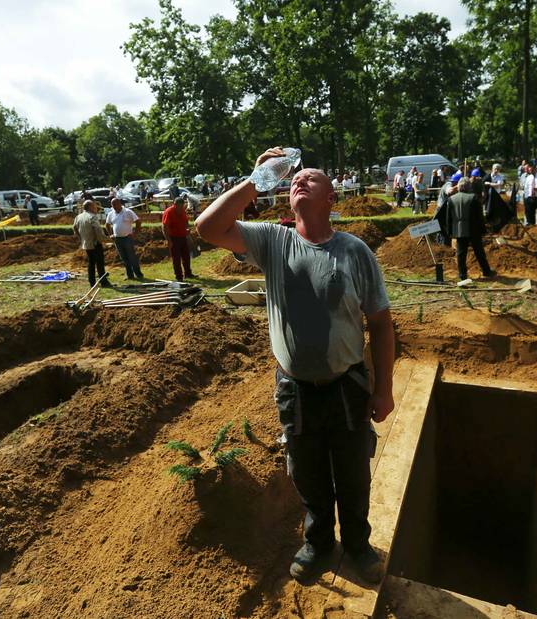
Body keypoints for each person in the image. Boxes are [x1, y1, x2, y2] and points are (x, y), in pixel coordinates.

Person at [195, 148, 394, 585]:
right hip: (295, 389)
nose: (299, 180)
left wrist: (384, 389)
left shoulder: (355, 252)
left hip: (347, 385)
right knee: (307, 473)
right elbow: (207, 228)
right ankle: (319, 543)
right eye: (295, 179)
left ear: (331, 198)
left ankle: (357, 545)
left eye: (312, 178)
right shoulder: (273, 241)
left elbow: (381, 324)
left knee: (353, 472)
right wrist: (256, 179)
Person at [442, 177, 496, 285]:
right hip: (473, 229)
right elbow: (479, 216)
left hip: (458, 230)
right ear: (468, 187)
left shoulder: (451, 199)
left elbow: (448, 218)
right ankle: (486, 271)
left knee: (461, 254)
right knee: (479, 252)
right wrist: (483, 229)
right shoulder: (474, 198)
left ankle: (462, 275)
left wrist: (450, 232)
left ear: (459, 186)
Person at [73, 200, 111, 288]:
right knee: (100, 264)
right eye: (94, 206)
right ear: (90, 207)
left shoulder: (78, 217)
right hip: (95, 244)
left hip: (86, 244)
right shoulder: (93, 217)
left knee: (91, 263)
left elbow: (74, 228)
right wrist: (108, 239)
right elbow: (98, 231)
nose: (96, 208)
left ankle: (92, 282)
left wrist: (81, 238)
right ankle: (104, 282)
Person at [105, 197, 144, 280]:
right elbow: (107, 224)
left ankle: (138, 274)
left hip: (127, 238)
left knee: (131, 257)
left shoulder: (128, 212)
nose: (114, 206)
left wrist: (135, 233)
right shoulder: (111, 213)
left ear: (119, 204)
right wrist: (110, 234)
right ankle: (130, 275)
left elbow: (138, 221)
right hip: (117, 239)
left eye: (115, 204)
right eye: (112, 205)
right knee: (124, 258)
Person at [161, 195, 194, 281]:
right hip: (173, 238)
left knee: (186, 256)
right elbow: (164, 227)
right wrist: (169, 240)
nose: (180, 209)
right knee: (176, 258)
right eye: (179, 207)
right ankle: (179, 277)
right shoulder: (169, 212)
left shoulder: (182, 210)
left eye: (182, 207)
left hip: (183, 236)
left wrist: (187, 229)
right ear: (174, 205)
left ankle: (188, 273)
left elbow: (186, 221)